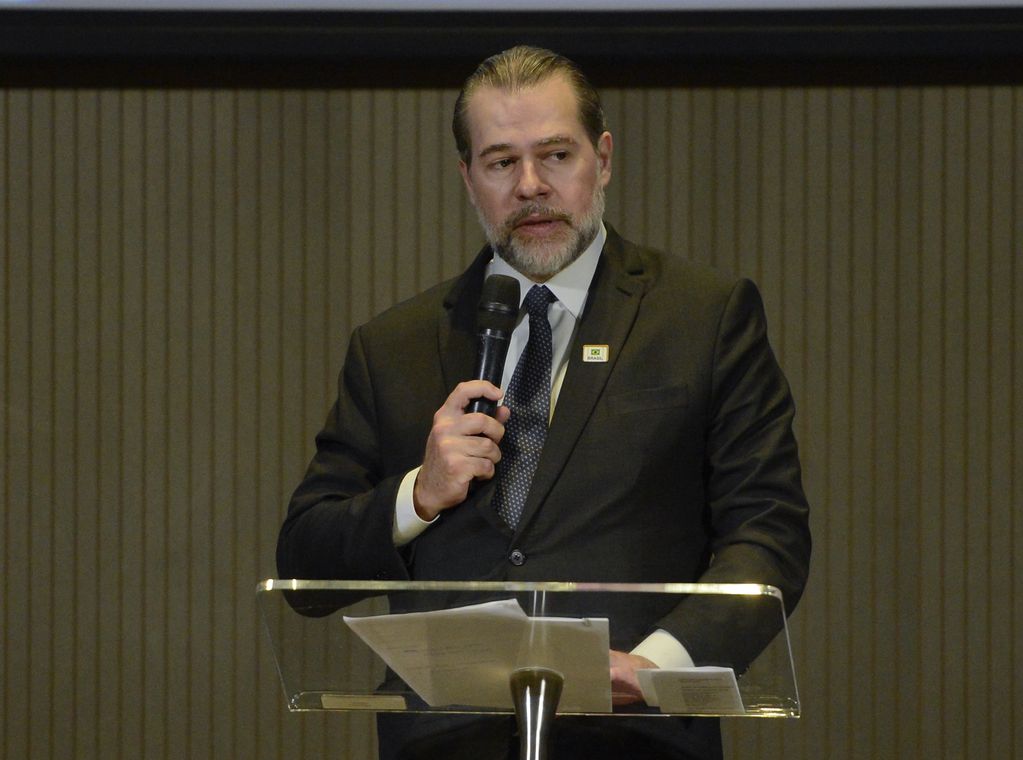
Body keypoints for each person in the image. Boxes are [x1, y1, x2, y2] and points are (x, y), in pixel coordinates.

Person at [277, 45, 810, 760]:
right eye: (501, 162)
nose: (531, 186)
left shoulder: (704, 316)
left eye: (556, 155)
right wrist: (418, 496)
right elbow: (304, 567)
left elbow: (768, 534)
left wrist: (656, 665)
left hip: (637, 735)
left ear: (604, 158)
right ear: (468, 179)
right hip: (445, 741)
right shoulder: (394, 344)